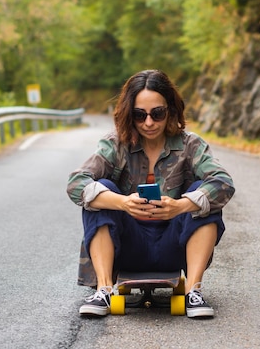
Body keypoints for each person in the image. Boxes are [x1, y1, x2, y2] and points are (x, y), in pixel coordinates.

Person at [67, 69, 235, 318]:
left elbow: (223, 182)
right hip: (127, 246)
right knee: (101, 189)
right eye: (139, 115)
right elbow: (76, 183)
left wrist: (181, 206)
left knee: (201, 194)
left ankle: (194, 291)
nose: (149, 122)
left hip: (174, 245)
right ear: (129, 114)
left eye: (157, 113)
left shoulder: (190, 145)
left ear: (171, 111)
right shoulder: (116, 144)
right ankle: (103, 289)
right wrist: (123, 202)